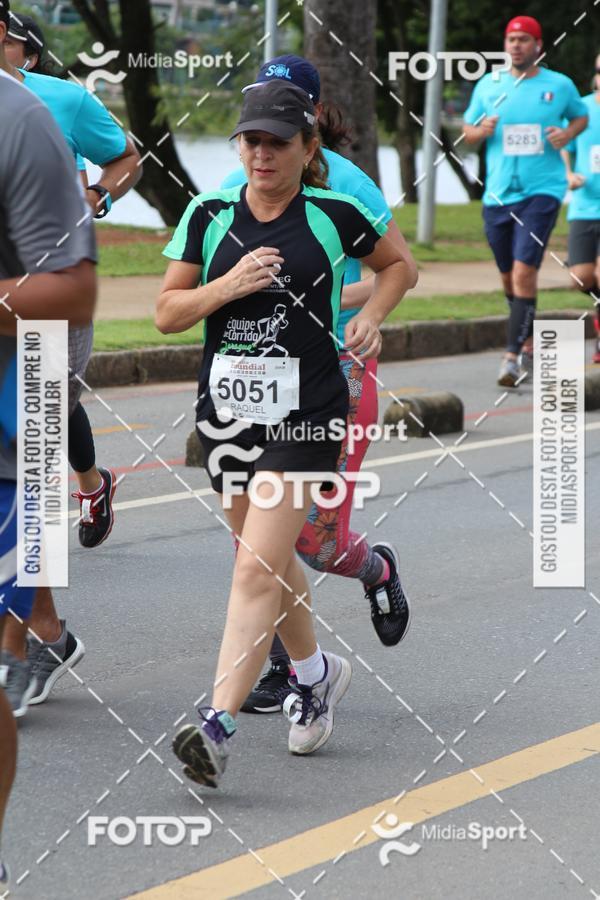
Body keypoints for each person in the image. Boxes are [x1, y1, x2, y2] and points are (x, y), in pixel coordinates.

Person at [158, 80, 412, 786]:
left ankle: (217, 725)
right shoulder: (209, 215)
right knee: (267, 560)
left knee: (252, 568)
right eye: (251, 140)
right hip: (229, 417)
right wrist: (229, 285)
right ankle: (315, 673)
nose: (262, 154)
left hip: (309, 413)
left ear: (308, 148)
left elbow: (400, 267)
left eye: (277, 142)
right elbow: (167, 314)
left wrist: (372, 317)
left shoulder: (336, 213)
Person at [222, 55, 417, 714]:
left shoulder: (350, 187)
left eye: (279, 120)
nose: (261, 146)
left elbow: (399, 269)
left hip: (333, 369)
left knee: (317, 543)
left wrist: (355, 308)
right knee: (252, 537)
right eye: (254, 121)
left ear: (307, 124)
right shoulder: (236, 179)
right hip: (257, 374)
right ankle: (293, 667)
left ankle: (376, 567)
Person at [0, 7, 142, 716]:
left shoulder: (59, 100)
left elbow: (128, 157)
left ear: (16, 42)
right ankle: (43, 630)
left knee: (30, 463)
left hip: (52, 300)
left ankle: (21, 642)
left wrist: (95, 197)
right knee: (25, 473)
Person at [0, 52, 96, 880]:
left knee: (53, 459)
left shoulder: (34, 112)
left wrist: (102, 195)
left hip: (21, 387)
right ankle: (49, 631)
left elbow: (70, 290)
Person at [463, 15, 587, 386]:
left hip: (542, 191)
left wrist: (566, 134)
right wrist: (479, 131)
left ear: (537, 45)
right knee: (508, 276)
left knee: (523, 273)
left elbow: (580, 118)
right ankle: (529, 338)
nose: (516, 45)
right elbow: (468, 131)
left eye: (523, 39)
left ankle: (511, 357)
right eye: (511, 39)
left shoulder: (559, 85)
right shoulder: (490, 84)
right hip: (498, 194)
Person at [561, 54, 600, 362]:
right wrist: (569, 174)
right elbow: (564, 145)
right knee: (581, 279)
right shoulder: (582, 109)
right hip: (584, 206)